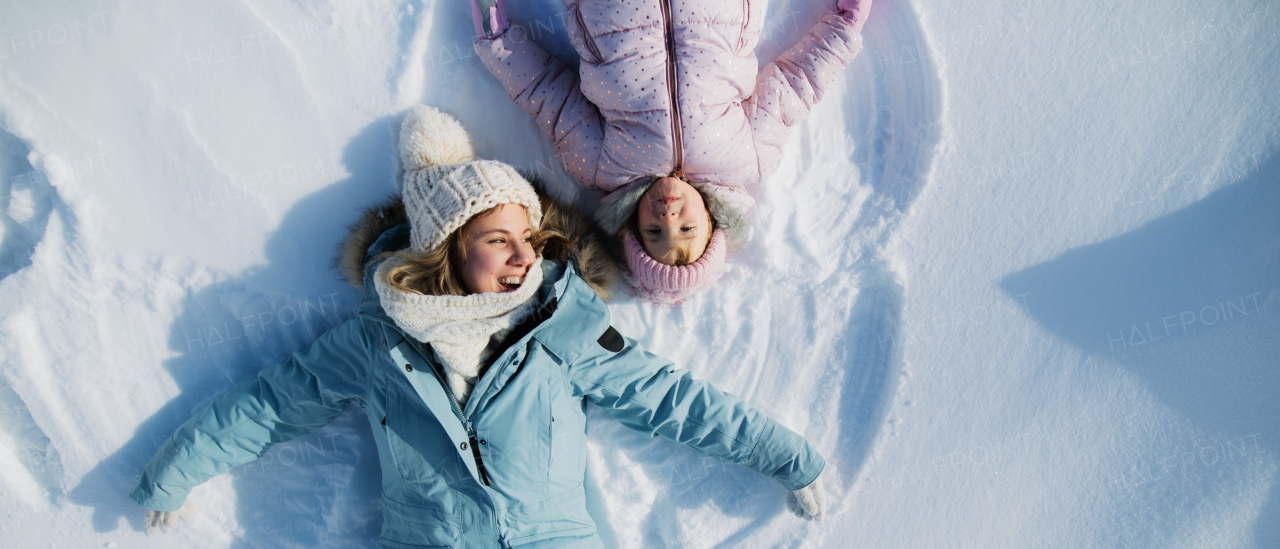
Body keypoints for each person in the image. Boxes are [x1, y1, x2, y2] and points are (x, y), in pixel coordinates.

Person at [132, 105, 828, 547]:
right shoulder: (379, 343)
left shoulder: (565, 327)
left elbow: (675, 402)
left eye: (528, 239)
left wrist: (788, 457)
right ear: (447, 245)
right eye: (500, 240)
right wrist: (178, 469)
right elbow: (271, 404)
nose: (526, 255)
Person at [470, 0, 873, 304]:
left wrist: (500, 43)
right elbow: (795, 86)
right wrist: (844, 26)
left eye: (654, 232)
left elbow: (549, 97)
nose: (668, 216)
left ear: (631, 227)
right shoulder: (746, 159)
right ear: (713, 223)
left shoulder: (602, 166)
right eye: (686, 229)